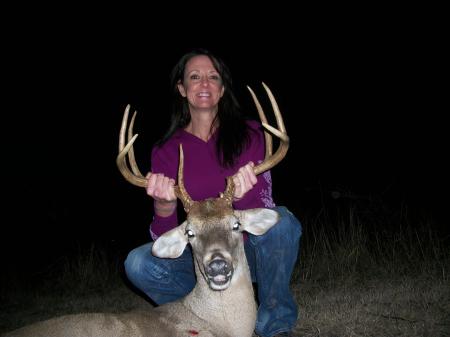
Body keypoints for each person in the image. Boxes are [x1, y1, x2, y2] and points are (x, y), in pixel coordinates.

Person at [124, 48, 302, 337]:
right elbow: (167, 240)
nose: (204, 83)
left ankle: (275, 323)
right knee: (138, 263)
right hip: (201, 257)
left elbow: (266, 211)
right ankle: (199, 321)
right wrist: (164, 206)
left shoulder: (252, 133)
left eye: (213, 77)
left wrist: (244, 197)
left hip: (245, 254)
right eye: (195, 77)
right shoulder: (166, 151)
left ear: (221, 89)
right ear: (182, 89)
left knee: (282, 224)